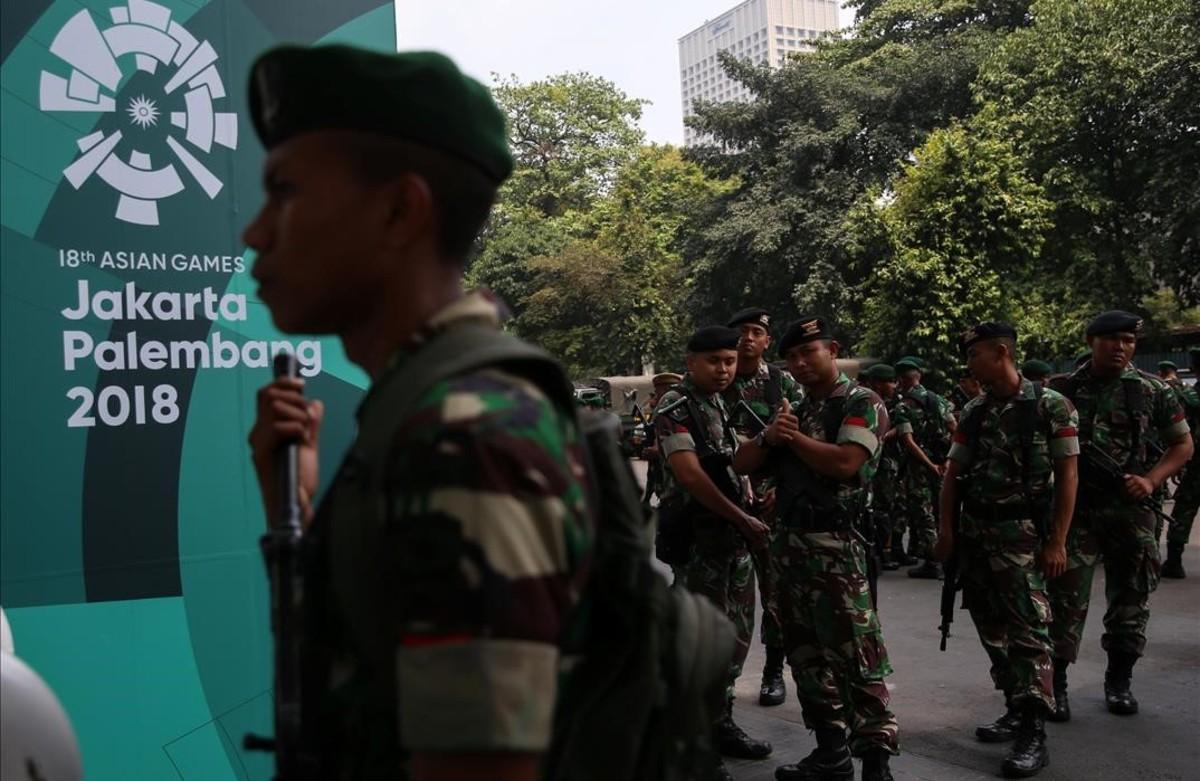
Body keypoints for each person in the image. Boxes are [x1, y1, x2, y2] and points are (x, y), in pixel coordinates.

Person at [243, 45, 592, 781]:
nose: (256, 231)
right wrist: (296, 508)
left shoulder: (469, 431)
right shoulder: (425, 411)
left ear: (400, 209)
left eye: (285, 193)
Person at [734, 316, 898, 781]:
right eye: (791, 358)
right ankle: (831, 753)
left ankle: (875, 763)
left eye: (809, 353)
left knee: (857, 657)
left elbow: (848, 462)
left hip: (837, 547)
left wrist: (792, 438)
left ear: (833, 350)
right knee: (805, 655)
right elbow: (742, 460)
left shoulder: (862, 402)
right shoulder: (795, 409)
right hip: (790, 547)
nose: (801, 364)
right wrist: (770, 436)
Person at [934, 323, 1079, 779]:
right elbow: (952, 476)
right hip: (978, 536)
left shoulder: (1049, 406)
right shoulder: (974, 411)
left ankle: (1034, 730)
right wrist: (947, 532)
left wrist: (1057, 540)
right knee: (990, 627)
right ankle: (1016, 705)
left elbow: (1069, 476)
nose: (969, 363)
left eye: (975, 354)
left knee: (1028, 632)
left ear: (1001, 353)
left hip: (1023, 537)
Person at [1045, 312, 1193, 721]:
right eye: (1111, 340)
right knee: (1064, 599)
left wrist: (1150, 480)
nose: (1121, 347)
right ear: (1091, 341)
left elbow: (1182, 446)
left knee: (1131, 598)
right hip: (1078, 513)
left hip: (1132, 512)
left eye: (1128, 340)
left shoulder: (1153, 391)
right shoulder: (1063, 391)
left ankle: (1118, 682)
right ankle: (1055, 686)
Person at [654, 326, 773, 777]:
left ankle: (720, 722)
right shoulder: (676, 406)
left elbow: (727, 460)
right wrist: (740, 517)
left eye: (729, 361)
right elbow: (689, 476)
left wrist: (750, 493)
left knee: (736, 636)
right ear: (691, 362)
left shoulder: (719, 402)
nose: (724, 369)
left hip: (728, 541)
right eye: (714, 362)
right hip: (698, 540)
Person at [722, 307, 804, 707]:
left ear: (767, 341)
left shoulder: (783, 383)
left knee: (775, 595)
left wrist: (781, 489)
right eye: (742, 332)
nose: (748, 338)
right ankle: (723, 680)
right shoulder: (717, 378)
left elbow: (800, 439)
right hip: (727, 502)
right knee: (729, 598)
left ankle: (774, 671)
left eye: (756, 332)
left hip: (771, 505)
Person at [893, 358, 956, 579]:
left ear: (901, 380)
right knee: (942, 510)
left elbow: (908, 442)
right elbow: (954, 429)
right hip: (942, 463)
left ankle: (933, 561)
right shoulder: (938, 400)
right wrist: (948, 460)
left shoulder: (903, 406)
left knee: (923, 513)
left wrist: (928, 465)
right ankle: (948, 558)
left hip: (919, 467)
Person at [862, 364, 904, 576]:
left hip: (887, 465)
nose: (894, 386)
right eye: (890, 382)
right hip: (872, 465)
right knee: (876, 509)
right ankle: (880, 552)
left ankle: (884, 551)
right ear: (879, 383)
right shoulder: (866, 402)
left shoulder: (895, 404)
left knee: (885, 508)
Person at [1163, 348, 1200, 578]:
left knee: (1184, 510)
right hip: (1194, 461)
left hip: (1197, 464)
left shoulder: (1192, 396)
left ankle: (1174, 561)